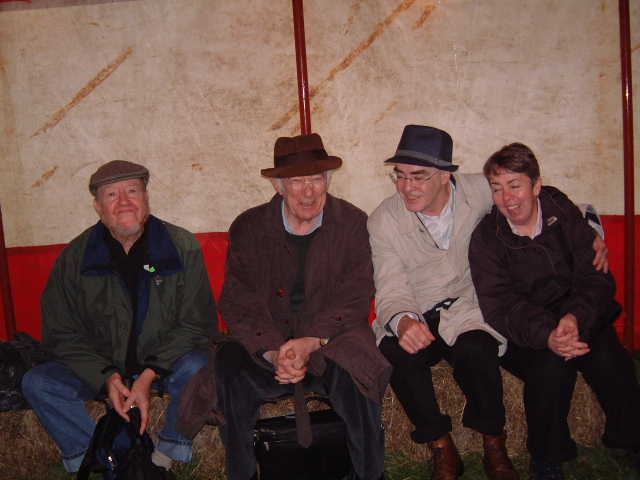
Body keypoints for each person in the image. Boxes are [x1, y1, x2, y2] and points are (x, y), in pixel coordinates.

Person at [179, 133, 390, 480]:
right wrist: (274, 351)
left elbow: (357, 292)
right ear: (279, 186)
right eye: (297, 181)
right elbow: (237, 298)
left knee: (360, 364)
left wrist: (312, 339)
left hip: (329, 340)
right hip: (270, 344)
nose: (308, 191)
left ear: (327, 181)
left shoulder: (352, 222)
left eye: (315, 179)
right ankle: (243, 473)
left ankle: (369, 474)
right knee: (229, 366)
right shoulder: (249, 226)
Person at [22, 160, 218, 474]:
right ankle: (98, 454)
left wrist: (149, 374)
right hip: (101, 367)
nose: (124, 201)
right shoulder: (75, 257)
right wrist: (107, 377)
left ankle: (167, 454)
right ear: (98, 206)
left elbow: (198, 323)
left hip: (163, 365)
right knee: (38, 383)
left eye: (132, 191)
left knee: (200, 366)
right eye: (112, 195)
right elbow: (60, 332)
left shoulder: (181, 247)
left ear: (146, 198)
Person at [469, 143, 640, 480]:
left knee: (608, 357)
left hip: (578, 311)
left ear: (536, 186)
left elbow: (595, 276)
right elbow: (500, 304)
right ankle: (547, 458)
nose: (507, 198)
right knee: (549, 368)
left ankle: (629, 438)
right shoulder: (487, 238)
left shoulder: (560, 209)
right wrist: (548, 334)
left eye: (515, 185)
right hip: (525, 328)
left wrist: (575, 317)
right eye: (497, 188)